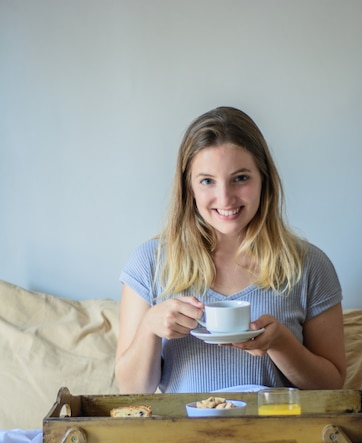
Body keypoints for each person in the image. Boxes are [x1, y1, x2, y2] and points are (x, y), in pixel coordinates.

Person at [115, 106, 346, 397]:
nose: (225, 198)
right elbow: (132, 390)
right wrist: (149, 327)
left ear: (264, 179)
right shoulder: (149, 263)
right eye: (207, 181)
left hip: (279, 439)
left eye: (240, 178)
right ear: (189, 188)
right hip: (182, 439)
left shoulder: (310, 265)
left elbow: (332, 386)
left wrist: (280, 344)